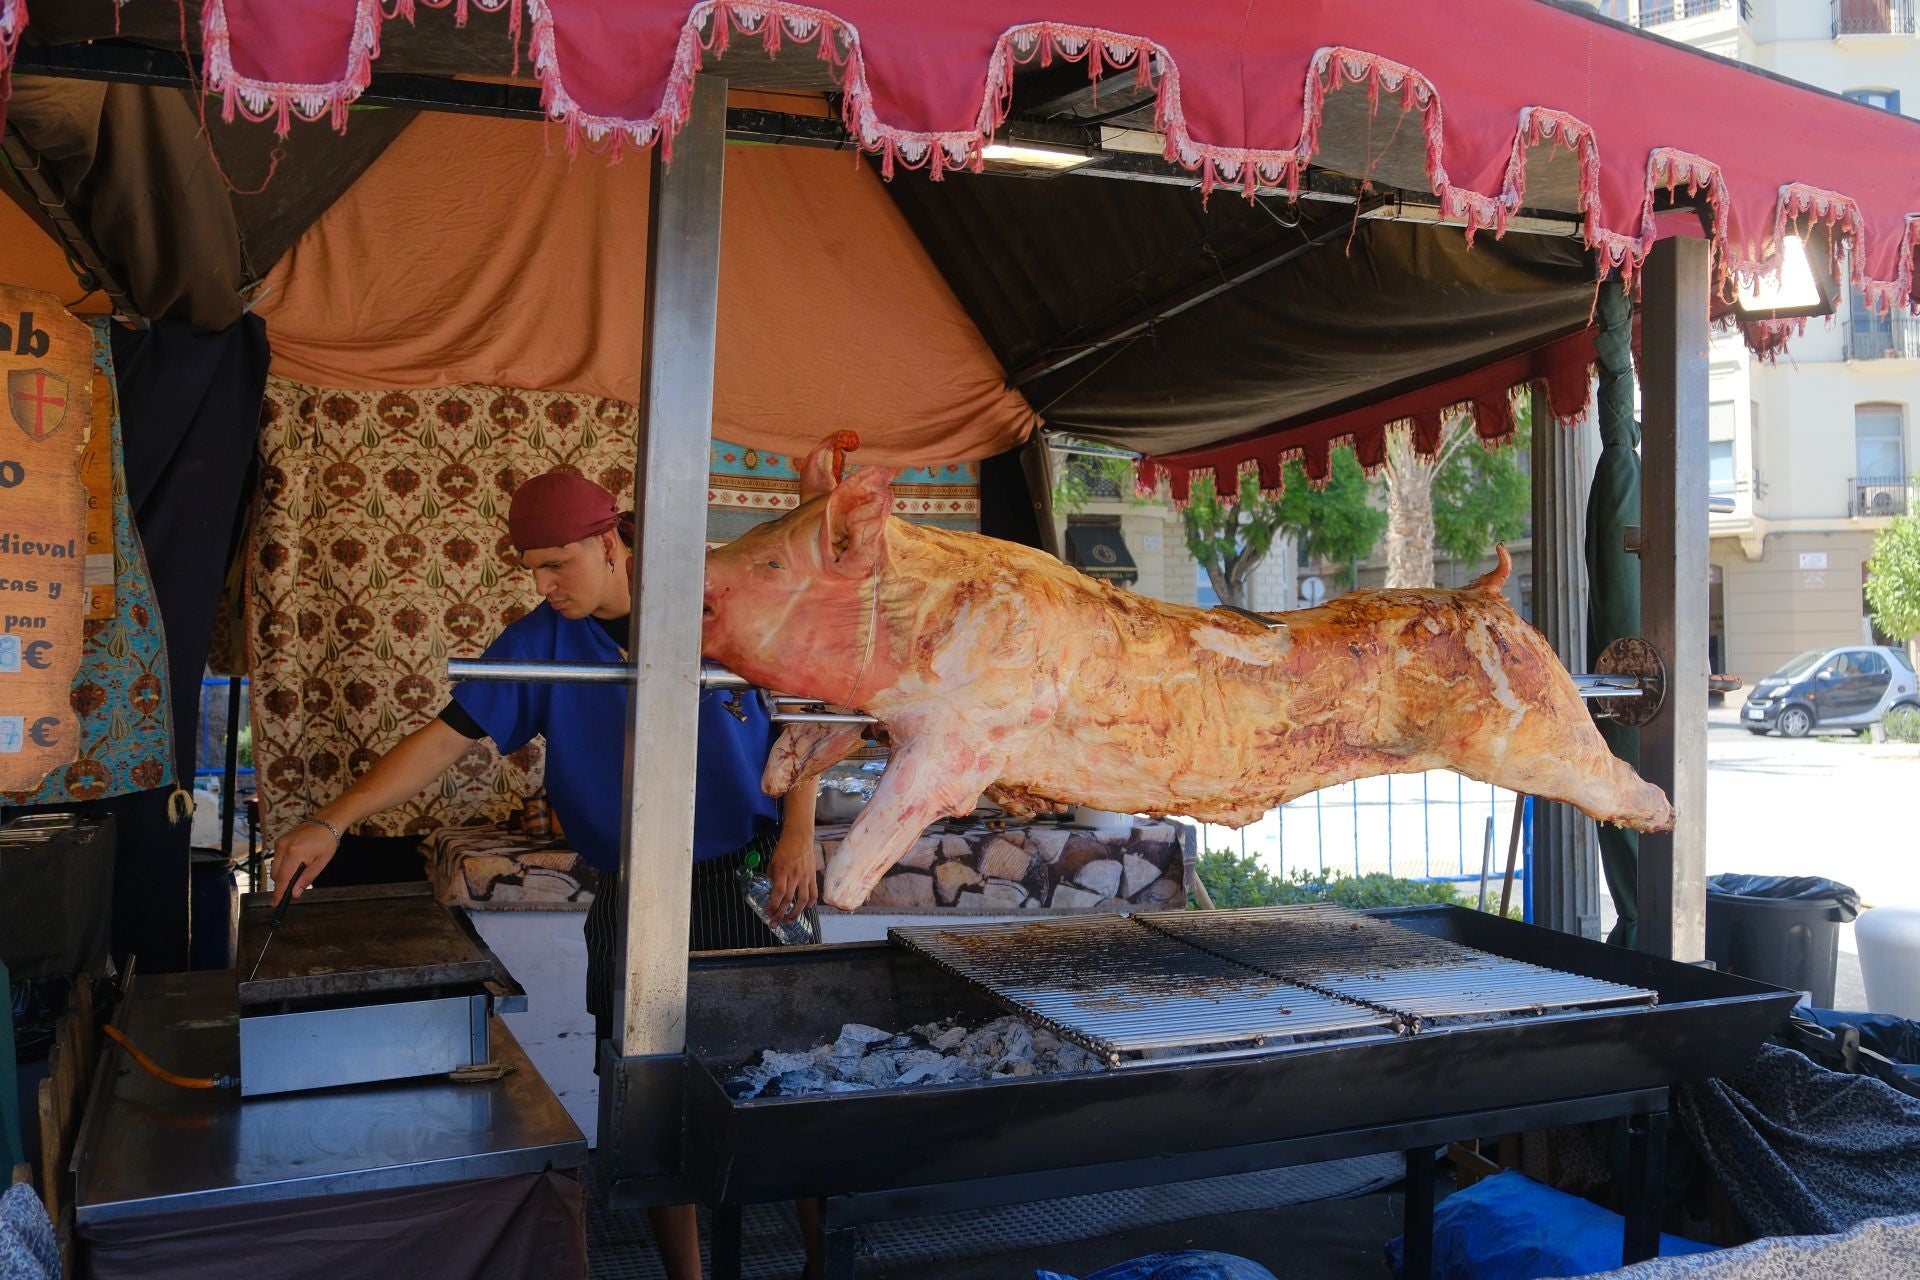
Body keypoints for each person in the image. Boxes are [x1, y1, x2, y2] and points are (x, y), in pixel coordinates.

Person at [269, 469, 820, 1280]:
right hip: (631, 882)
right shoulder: (541, 641)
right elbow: (447, 736)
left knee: (795, 1077)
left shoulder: (722, 604)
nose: (544, 584)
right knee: (647, 1091)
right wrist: (332, 821)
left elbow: (806, 716)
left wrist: (800, 833)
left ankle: (817, 1258)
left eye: (558, 563)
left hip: (745, 872)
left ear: (609, 543)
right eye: (532, 567)